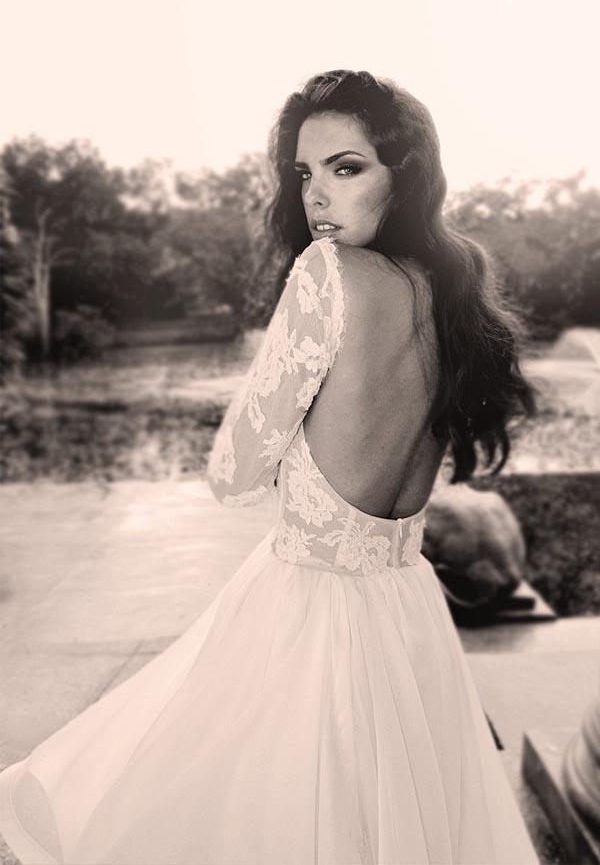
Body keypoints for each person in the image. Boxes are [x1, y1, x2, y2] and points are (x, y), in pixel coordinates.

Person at [0, 70, 540, 864]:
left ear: (406, 173)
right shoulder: (452, 288)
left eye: (346, 168)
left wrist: (290, 429)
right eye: (304, 172)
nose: (316, 194)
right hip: (406, 607)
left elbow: (234, 472)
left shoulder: (328, 275)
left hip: (309, 611)